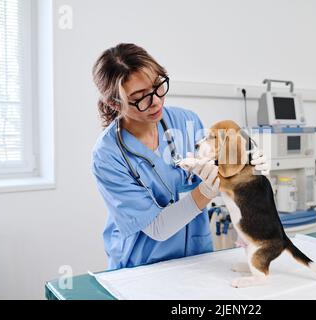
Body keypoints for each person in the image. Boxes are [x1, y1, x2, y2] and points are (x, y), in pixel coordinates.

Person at [91, 43, 269, 270]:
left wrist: (245, 168)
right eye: (139, 97)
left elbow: (217, 167)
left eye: (157, 86)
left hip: (196, 256)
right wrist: (205, 191)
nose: (155, 101)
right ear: (114, 103)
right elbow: (158, 228)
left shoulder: (187, 121)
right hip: (143, 266)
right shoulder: (108, 156)